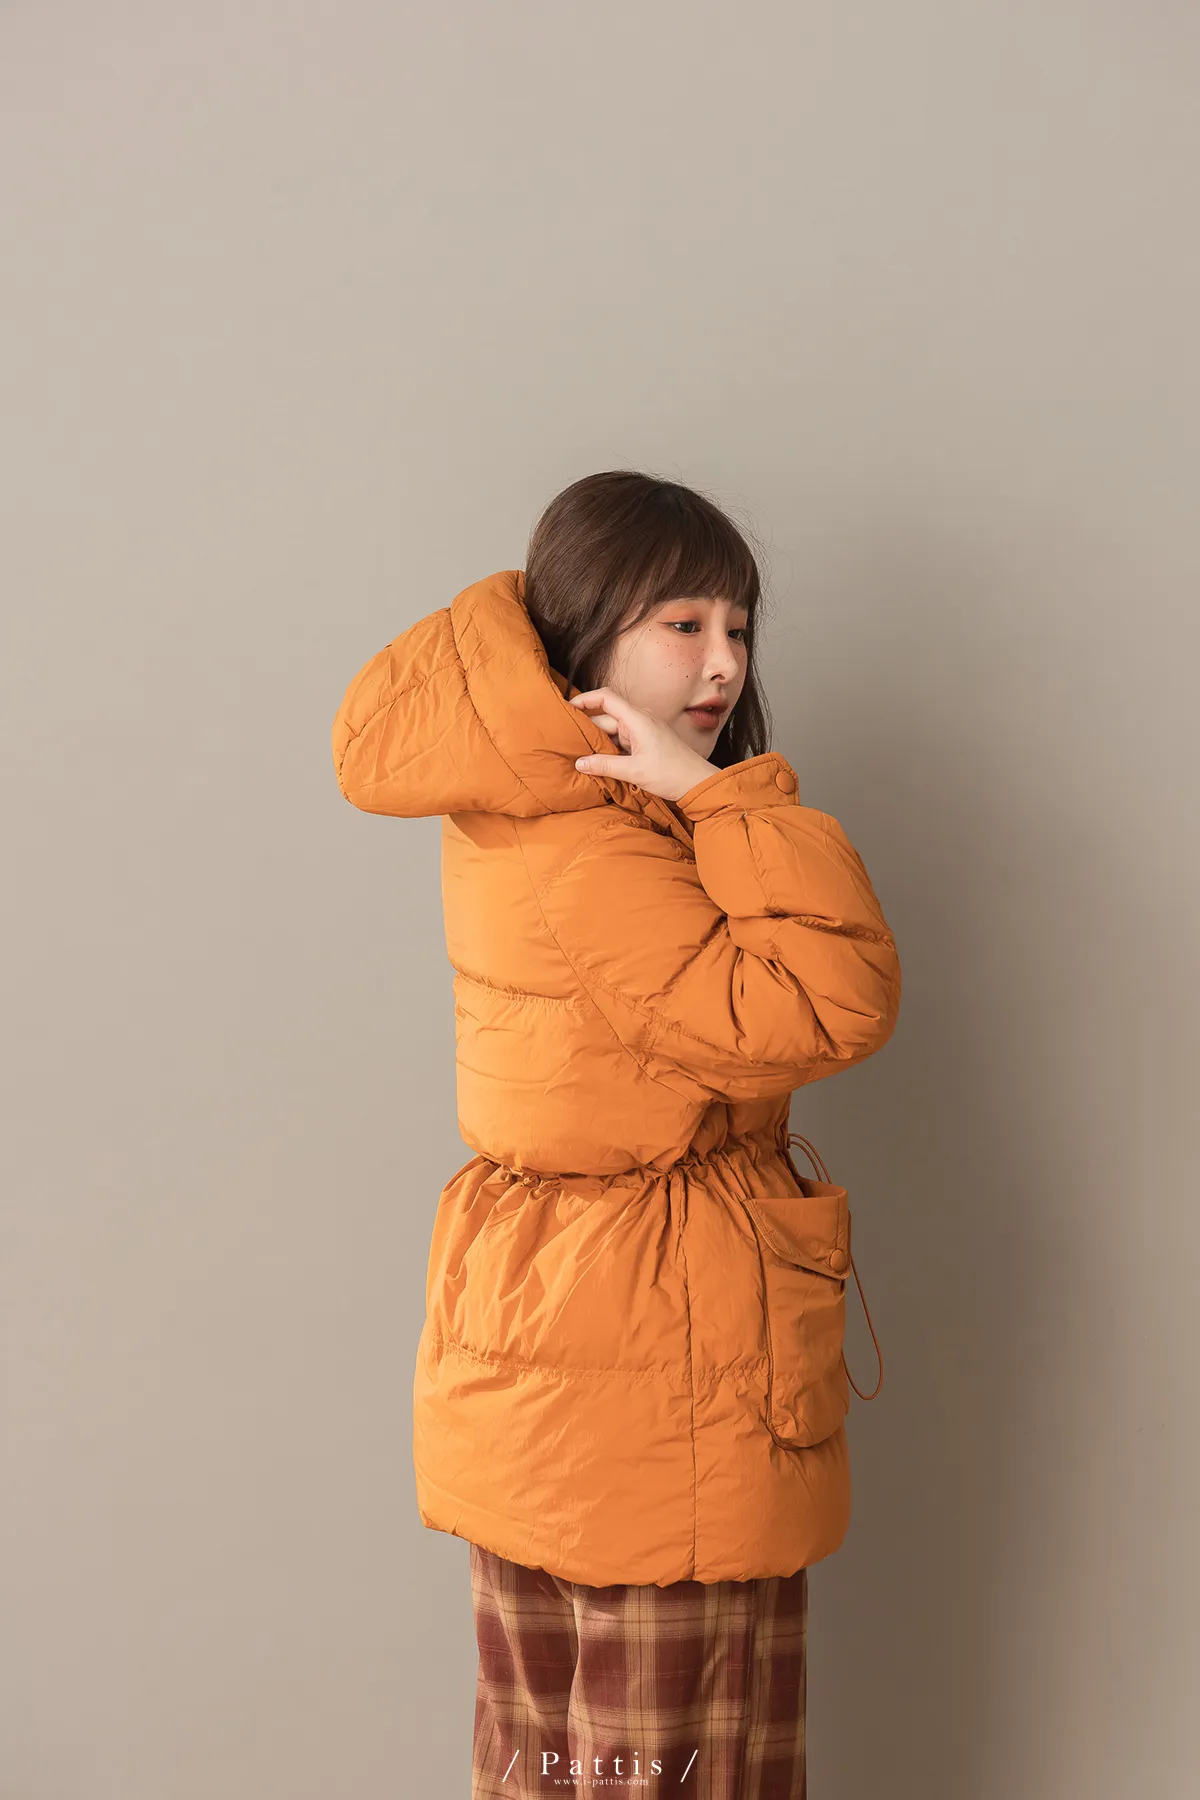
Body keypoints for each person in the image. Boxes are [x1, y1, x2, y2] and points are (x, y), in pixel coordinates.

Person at [331, 470, 901, 1798]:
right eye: (681, 625)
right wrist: (725, 799)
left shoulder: (536, 801)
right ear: (587, 631)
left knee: (557, 1755)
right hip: (651, 1348)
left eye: (738, 627)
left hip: (579, 1336)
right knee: (677, 1763)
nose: (722, 663)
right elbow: (827, 1003)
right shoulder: (594, 841)